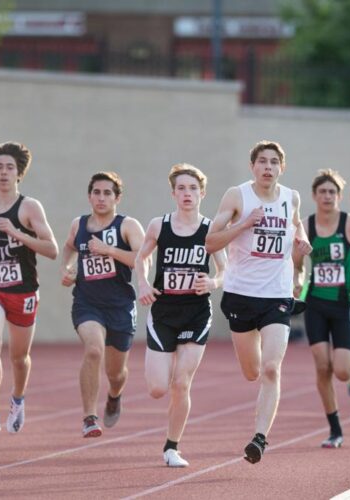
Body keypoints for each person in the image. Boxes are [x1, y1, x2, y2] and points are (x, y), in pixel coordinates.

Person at [205, 140, 312, 464]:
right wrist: (244, 224)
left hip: (277, 296)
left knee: (270, 368)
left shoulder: (291, 197)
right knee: (251, 371)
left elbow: (297, 227)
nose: (268, 167)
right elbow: (210, 241)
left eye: (274, 162)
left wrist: (301, 252)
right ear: (252, 167)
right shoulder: (237, 196)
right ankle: (259, 417)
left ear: (282, 167)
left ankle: (260, 438)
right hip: (241, 294)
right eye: (262, 161)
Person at [135, 163, 225, 467]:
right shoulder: (158, 225)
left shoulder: (211, 228)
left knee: (182, 383)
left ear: (202, 193)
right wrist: (144, 283)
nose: (187, 193)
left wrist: (212, 281)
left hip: (196, 312)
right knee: (158, 388)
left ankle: (172, 447)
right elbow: (141, 258)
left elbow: (226, 269)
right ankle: (161, 372)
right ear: (173, 193)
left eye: (193, 188)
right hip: (164, 311)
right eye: (182, 188)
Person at [294, 169, 350, 448]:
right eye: (323, 192)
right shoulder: (306, 226)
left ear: (339, 196)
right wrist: (296, 282)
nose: (327, 196)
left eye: (332, 192)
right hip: (316, 303)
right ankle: (334, 429)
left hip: (344, 303)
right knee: (322, 365)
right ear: (314, 196)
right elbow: (296, 261)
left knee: (343, 370)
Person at [61, 172, 145, 437]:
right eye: (96, 192)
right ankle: (89, 417)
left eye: (107, 193)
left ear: (117, 198)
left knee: (116, 373)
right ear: (89, 196)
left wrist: (109, 250)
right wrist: (67, 268)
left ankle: (114, 395)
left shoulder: (128, 225)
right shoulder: (79, 224)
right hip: (87, 302)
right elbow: (69, 247)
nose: (101, 198)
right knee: (94, 350)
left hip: (120, 306)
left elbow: (142, 260)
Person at [0, 142, 58, 439]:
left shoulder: (29, 207)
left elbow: (52, 249)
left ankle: (17, 398)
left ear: (19, 173)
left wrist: (16, 232)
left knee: (19, 357)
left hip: (24, 291)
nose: (4, 172)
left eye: (9, 167)